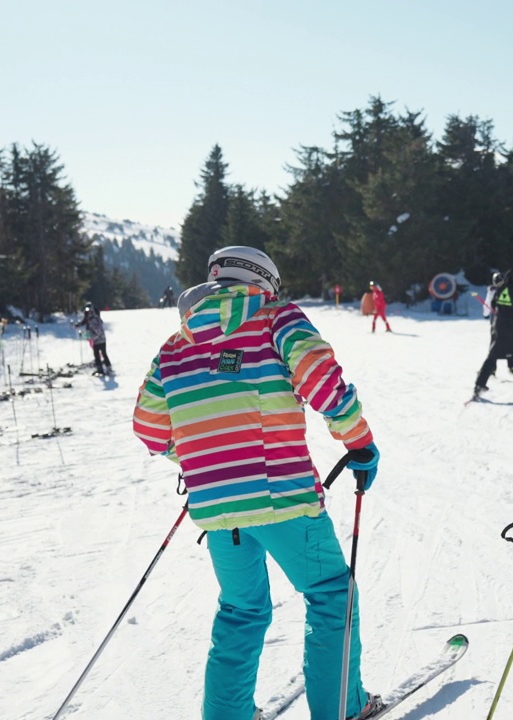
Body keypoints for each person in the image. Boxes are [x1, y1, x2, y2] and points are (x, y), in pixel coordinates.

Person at [132, 246, 384, 720]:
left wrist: (200, 459)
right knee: (332, 594)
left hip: (215, 510)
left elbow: (149, 428)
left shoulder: (173, 346)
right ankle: (342, 708)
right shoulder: (275, 318)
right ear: (265, 283)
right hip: (284, 498)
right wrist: (359, 443)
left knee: (241, 611)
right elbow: (323, 382)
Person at [472, 261, 513, 401]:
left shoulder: (503, 285)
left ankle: (479, 386)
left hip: (499, 327)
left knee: (492, 356)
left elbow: (494, 305)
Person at [74, 302, 112, 375]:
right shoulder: (91, 318)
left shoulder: (93, 319)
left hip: (99, 340)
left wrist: (87, 336)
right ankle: (103, 368)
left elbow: (97, 332)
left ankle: (104, 368)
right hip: (99, 339)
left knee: (100, 354)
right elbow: (84, 322)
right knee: (99, 354)